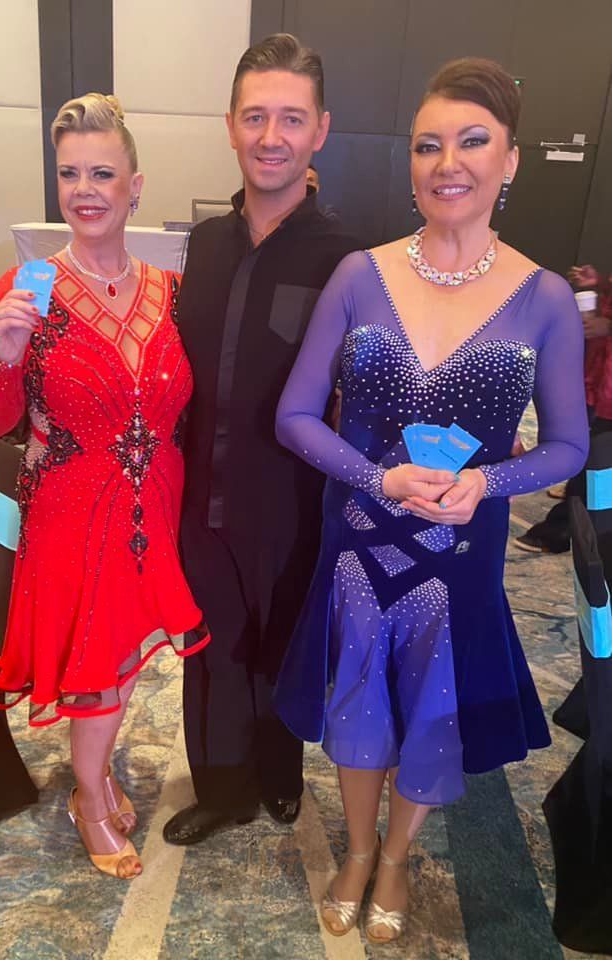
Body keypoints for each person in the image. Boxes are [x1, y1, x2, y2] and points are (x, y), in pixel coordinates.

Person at [273, 57, 589, 943]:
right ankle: (360, 849)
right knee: (360, 700)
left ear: (511, 160)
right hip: (361, 543)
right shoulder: (357, 276)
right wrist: (376, 478)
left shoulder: (546, 299)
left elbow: (569, 444)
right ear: (410, 163)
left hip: (461, 555)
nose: (447, 161)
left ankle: (402, 857)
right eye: (427, 145)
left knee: (435, 706)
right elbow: (294, 417)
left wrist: (489, 480)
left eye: (471, 141)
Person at [0, 93, 209, 879]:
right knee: (96, 662)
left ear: (134, 186)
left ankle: (95, 774)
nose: (85, 188)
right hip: (73, 508)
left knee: (129, 657)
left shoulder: (171, 291)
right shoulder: (28, 286)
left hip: (155, 504)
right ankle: (90, 797)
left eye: (102, 172)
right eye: (70, 172)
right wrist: (3, 352)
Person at [162, 34, 357, 846]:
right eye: (255, 117)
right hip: (199, 495)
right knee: (211, 652)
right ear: (231, 127)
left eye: (290, 118)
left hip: (294, 503)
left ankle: (278, 775)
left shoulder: (346, 258)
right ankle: (221, 788)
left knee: (281, 646)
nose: (270, 135)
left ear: (319, 131)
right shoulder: (201, 246)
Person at [515, 263, 612, 553]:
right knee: (593, 452)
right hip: (601, 374)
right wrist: (601, 283)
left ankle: (560, 530)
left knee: (597, 460)